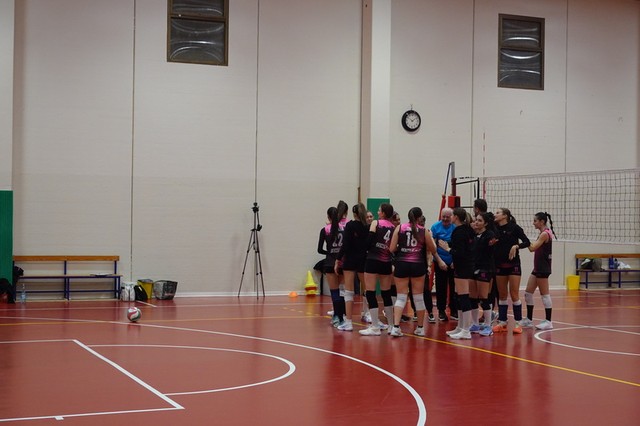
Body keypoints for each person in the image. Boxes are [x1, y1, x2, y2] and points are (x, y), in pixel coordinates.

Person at [388, 207, 436, 337]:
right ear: (420, 217)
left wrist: (403, 248)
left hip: (402, 264)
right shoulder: (424, 230)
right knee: (418, 298)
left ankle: (396, 327)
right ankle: (420, 328)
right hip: (418, 265)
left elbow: (391, 248)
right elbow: (433, 249)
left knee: (401, 297)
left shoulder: (400, 228)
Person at [492, 207, 531, 334]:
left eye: (498, 213)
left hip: (513, 264)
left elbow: (527, 242)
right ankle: (502, 322)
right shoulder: (494, 228)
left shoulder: (514, 228)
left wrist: (516, 246)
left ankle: (518, 323)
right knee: (502, 295)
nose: (495, 214)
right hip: (499, 264)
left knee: (514, 294)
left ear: (505, 216)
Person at [359, 203, 396, 336]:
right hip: (386, 262)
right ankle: (391, 326)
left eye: (379, 210)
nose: (378, 212)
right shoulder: (393, 227)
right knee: (386, 293)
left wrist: (366, 249)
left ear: (383, 213)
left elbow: (369, 240)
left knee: (370, 292)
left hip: (373, 259)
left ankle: (375, 327)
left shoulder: (376, 223)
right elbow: (393, 246)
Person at [438, 207, 475, 339]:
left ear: (456, 217)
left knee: (463, 297)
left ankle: (466, 330)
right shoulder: (468, 230)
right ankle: (460, 327)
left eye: (452, 215)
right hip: (465, 265)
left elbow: (459, 252)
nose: (451, 217)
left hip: (463, 267)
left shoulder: (458, 231)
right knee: (458, 296)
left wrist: (447, 249)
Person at [335, 202, 369, 332]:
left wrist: (338, 259)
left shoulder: (350, 225)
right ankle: (368, 315)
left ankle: (348, 322)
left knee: (349, 291)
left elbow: (345, 245)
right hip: (363, 260)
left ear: (353, 214)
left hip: (350, 260)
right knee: (367, 290)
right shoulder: (367, 226)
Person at [521, 212, 557, 330]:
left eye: (535, 221)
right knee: (528, 293)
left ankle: (549, 321)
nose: (533, 223)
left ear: (542, 222)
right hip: (537, 268)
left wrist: (523, 238)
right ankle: (529, 320)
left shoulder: (545, 234)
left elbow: (532, 248)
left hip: (543, 268)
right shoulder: (542, 233)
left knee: (545, 295)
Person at [317, 201, 349, 327]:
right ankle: (343, 316)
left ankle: (337, 317)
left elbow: (319, 250)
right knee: (342, 291)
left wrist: (330, 252)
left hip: (330, 262)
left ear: (328, 217)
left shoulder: (325, 230)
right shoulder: (345, 228)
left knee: (334, 292)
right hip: (343, 262)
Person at [469, 212, 496, 337]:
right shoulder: (474, 235)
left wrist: (491, 243)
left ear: (485, 223)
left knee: (484, 298)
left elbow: (488, 250)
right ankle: (475, 324)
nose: (476, 222)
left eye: (479, 220)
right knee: (472, 298)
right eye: (476, 220)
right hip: (473, 267)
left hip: (485, 268)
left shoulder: (489, 235)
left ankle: (488, 326)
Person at [430, 207, 457, 322]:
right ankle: (441, 310)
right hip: (440, 261)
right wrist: (439, 261)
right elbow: (433, 247)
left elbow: (458, 246)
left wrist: (454, 261)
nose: (445, 219)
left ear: (452, 217)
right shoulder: (435, 227)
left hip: (453, 262)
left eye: (448, 217)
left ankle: (454, 309)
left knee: (454, 286)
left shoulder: (455, 228)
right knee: (441, 286)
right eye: (443, 217)